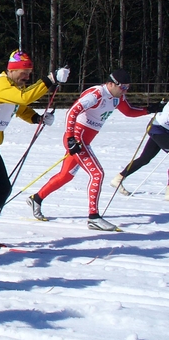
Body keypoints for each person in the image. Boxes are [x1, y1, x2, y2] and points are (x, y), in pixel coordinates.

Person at [0, 51, 68, 252]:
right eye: (25, 72)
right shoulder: (1, 84)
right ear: (13, 70)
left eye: (30, 73)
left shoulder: (14, 86)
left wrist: (37, 118)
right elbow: (23, 98)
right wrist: (49, 80)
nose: (27, 76)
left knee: (4, 190)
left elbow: (19, 107)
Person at [26, 70, 161, 230]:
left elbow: (129, 111)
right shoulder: (96, 94)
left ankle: (37, 198)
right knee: (97, 173)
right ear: (111, 83)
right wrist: (70, 138)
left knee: (65, 176)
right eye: (122, 87)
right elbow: (71, 112)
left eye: (127, 87)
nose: (125, 91)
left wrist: (151, 109)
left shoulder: (117, 97)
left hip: (85, 139)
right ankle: (94, 217)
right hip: (78, 138)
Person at [111, 101, 169, 199]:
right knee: (145, 158)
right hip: (158, 128)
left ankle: (119, 178)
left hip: (160, 128)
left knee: (145, 158)